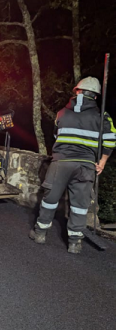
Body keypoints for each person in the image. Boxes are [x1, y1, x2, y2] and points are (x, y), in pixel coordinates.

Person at [29, 77, 115, 254]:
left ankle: (40, 233)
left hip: (62, 162)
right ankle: (75, 243)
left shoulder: (62, 113)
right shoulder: (102, 117)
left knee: (50, 199)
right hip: (86, 165)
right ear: (96, 96)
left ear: (77, 91)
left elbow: (56, 135)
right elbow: (111, 140)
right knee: (79, 205)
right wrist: (102, 162)